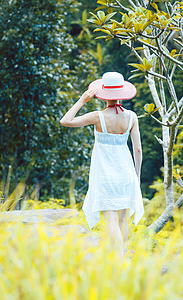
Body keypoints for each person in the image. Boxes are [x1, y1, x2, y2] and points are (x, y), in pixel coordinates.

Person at [60, 72, 143, 258]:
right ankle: (122, 258)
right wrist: (137, 176)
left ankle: (119, 261)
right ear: (121, 93)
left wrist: (82, 100)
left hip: (105, 174)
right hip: (126, 173)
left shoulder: (97, 117)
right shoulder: (131, 117)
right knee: (123, 219)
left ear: (103, 94)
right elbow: (137, 150)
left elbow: (65, 121)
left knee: (111, 218)